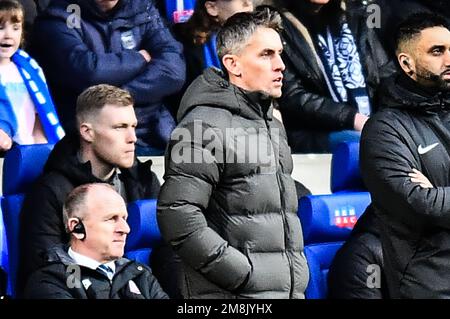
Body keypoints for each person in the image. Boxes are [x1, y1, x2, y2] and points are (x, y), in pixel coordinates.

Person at [157, 9, 309, 299]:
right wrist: (242, 273)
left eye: (280, 53)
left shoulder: (272, 125)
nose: (280, 65)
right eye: (266, 55)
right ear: (233, 64)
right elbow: (178, 214)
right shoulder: (202, 125)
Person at [18, 84, 161, 295]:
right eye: (120, 127)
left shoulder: (144, 181)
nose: (133, 138)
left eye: (133, 126)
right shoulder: (51, 191)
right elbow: (47, 271)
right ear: (87, 132)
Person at [358, 12, 450, 298]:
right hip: (430, 288)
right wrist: (433, 199)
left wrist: (439, 193)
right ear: (406, 63)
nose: (449, 60)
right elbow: (422, 205)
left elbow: (437, 201)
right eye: (438, 52)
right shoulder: (383, 130)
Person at [30, 0, 185, 154]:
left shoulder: (142, 9)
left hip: (153, 134)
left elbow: (173, 71)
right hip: (89, 142)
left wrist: (121, 94)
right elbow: (88, 71)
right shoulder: (59, 16)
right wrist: (139, 59)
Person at [275, 0, 393, 153]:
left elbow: (386, 74)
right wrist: (352, 118)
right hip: (316, 133)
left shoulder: (357, 13)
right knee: (375, 144)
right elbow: (292, 96)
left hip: (371, 122)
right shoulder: (277, 24)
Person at [23, 183, 168, 299]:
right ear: (77, 228)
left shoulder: (140, 274)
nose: (125, 229)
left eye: (124, 219)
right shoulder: (51, 282)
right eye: (111, 219)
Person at [0, 0, 64, 152]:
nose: (8, 35)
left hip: (26, 152)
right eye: (0, 28)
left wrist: (40, 148)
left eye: (15, 28)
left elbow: (40, 113)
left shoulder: (30, 70)